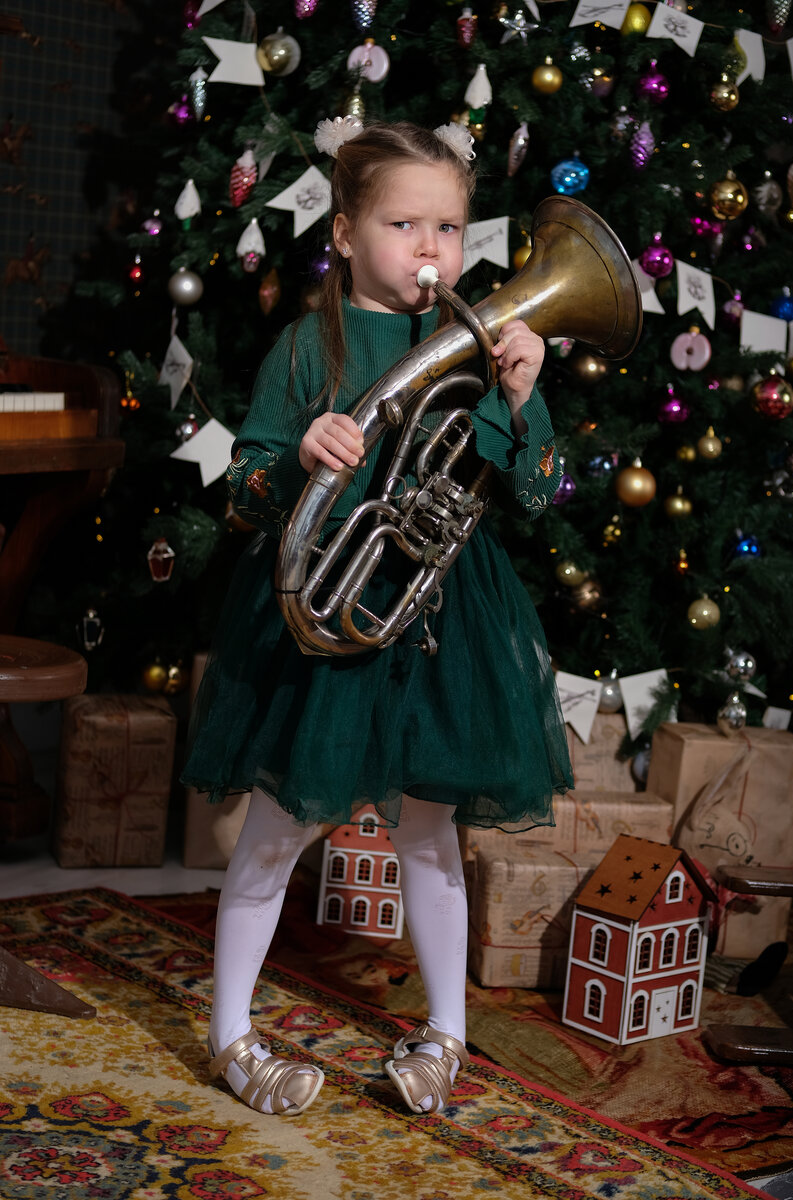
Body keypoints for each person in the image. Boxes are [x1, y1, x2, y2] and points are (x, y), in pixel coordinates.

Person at [182, 118, 573, 1118]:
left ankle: (447, 1031)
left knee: (431, 842)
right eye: (403, 223)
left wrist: (519, 401)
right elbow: (249, 492)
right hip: (330, 611)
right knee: (275, 835)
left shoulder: (481, 344)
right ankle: (229, 1032)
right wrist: (299, 455)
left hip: (444, 619)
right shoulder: (308, 342)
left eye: (447, 226)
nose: (430, 249)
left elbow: (531, 491)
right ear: (347, 233)